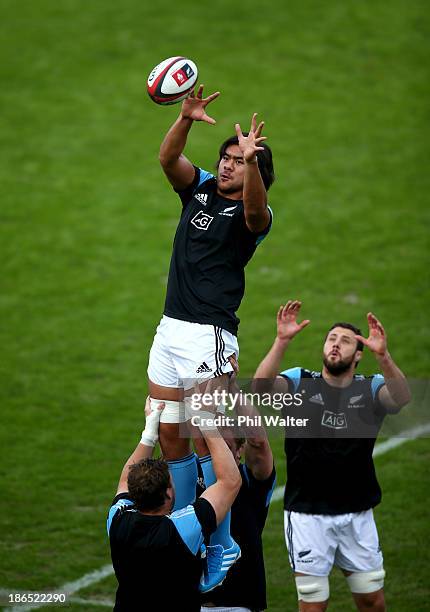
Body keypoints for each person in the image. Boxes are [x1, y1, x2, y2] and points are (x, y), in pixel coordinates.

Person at [146, 85, 275, 590]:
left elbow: (254, 212)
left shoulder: (255, 216)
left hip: (210, 336)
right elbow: (167, 157)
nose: (225, 167)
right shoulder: (197, 187)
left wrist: (254, 169)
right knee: (168, 432)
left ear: (253, 175)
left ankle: (220, 542)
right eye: (225, 159)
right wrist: (183, 117)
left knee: (210, 437)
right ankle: (183, 530)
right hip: (170, 328)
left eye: (237, 162)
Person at [254, 301, 411, 612]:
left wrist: (384, 357)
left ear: (358, 355)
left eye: (346, 340)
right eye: (331, 338)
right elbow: (261, 390)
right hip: (308, 516)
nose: (336, 344)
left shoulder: (371, 388)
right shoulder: (300, 381)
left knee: (372, 602)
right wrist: (282, 341)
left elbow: (402, 397)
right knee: (313, 605)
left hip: (357, 514)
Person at [107, 397, 241, 611]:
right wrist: (207, 424)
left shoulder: (118, 519)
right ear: (168, 495)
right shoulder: (182, 528)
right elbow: (230, 481)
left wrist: (149, 435)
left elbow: (124, 480)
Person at [200, 380, 276, 612]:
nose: (219, 452)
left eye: (226, 445)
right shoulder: (191, 477)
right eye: (213, 445)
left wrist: (231, 385)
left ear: (240, 450)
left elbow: (259, 441)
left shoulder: (251, 481)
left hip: (240, 604)